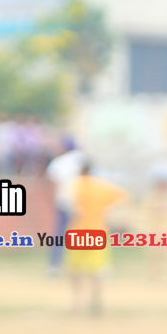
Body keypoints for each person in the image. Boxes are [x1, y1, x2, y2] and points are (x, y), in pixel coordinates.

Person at [64, 160, 127, 315]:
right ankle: (96, 302)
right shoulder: (101, 186)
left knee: (75, 269)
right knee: (97, 269)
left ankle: (76, 302)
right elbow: (123, 197)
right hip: (97, 231)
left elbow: (70, 205)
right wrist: (107, 209)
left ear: (80, 170)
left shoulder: (77, 184)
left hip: (78, 231)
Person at [44, 135, 86, 276]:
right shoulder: (81, 158)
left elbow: (51, 184)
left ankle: (54, 266)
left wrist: (52, 200)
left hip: (63, 201)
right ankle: (85, 264)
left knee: (60, 234)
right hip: (81, 202)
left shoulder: (58, 162)